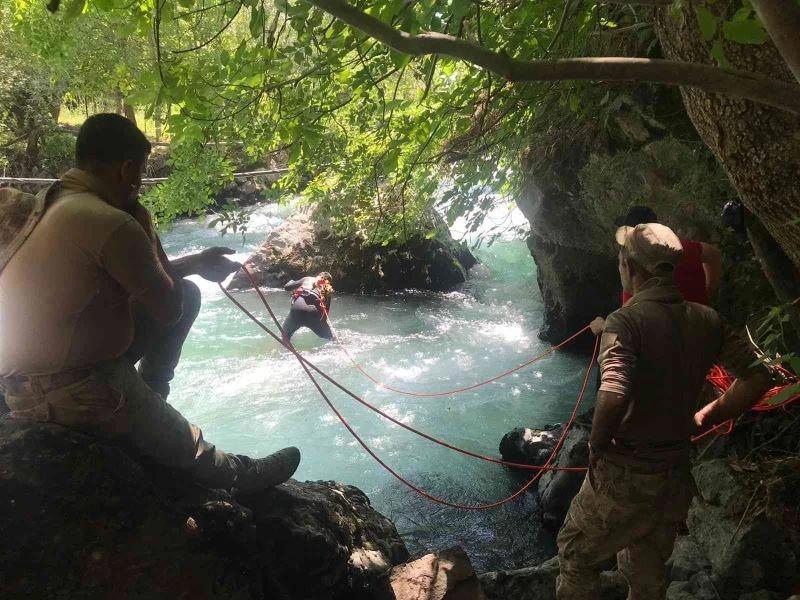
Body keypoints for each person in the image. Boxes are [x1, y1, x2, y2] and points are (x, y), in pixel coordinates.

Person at [0, 113, 299, 493]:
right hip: (72, 386)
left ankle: (152, 394)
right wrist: (146, 225)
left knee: (189, 291)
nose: (140, 183)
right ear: (127, 169)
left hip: (22, 380)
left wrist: (194, 263)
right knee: (188, 449)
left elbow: (132, 276)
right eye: (140, 172)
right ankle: (236, 473)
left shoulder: (54, 206)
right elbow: (167, 310)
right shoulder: (115, 222)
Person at [556, 222, 772, 600]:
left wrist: (596, 445)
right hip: (674, 472)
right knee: (648, 569)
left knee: (576, 555)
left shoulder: (624, 321)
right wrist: (703, 418)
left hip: (626, 471)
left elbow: (614, 392)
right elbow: (757, 378)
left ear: (629, 268)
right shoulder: (707, 319)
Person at [281, 272, 334, 344]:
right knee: (330, 338)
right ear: (329, 282)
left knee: (285, 335)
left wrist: (291, 281)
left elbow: (287, 287)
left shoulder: (307, 279)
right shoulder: (328, 290)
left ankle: (287, 350)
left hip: (297, 310)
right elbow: (325, 316)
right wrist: (322, 328)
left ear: (318, 276)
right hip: (314, 314)